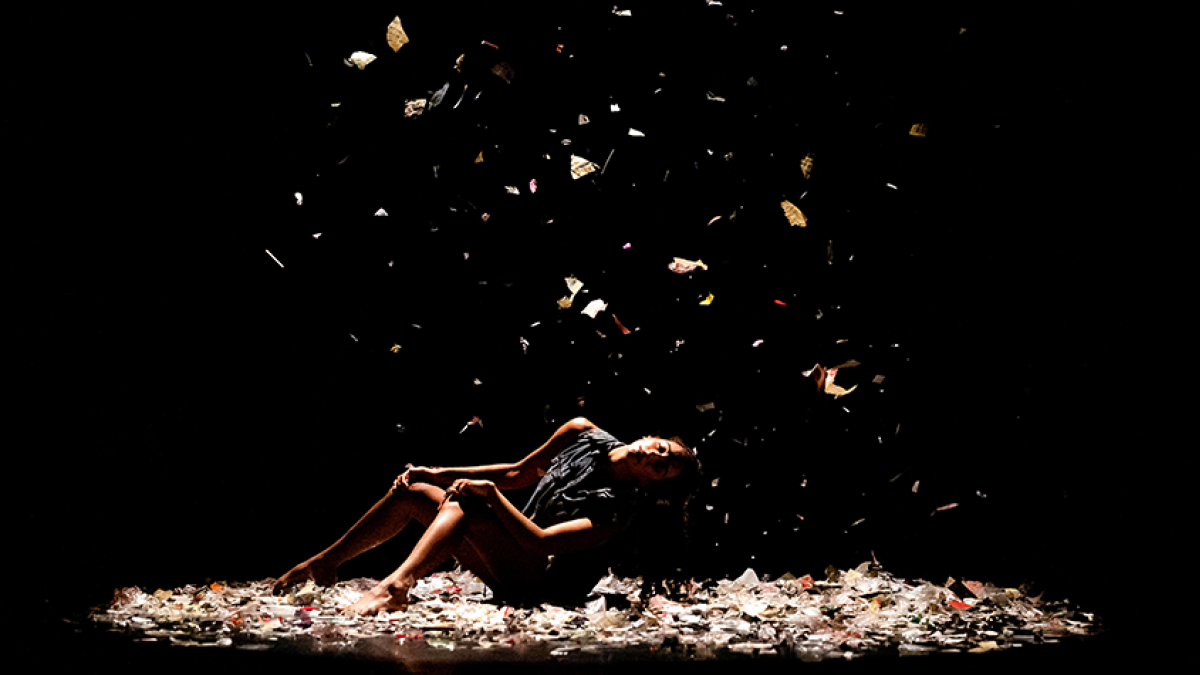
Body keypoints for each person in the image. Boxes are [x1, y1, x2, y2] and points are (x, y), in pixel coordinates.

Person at [270, 417, 701, 615]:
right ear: (654, 435)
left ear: (652, 483)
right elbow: (516, 472)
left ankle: (397, 585)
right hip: (508, 554)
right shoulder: (582, 433)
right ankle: (326, 562)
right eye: (663, 447)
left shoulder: (619, 508)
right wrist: (440, 472)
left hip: (541, 585)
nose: (654, 455)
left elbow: (541, 544)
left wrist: (491, 496)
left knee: (471, 505)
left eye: (662, 466)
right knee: (416, 491)